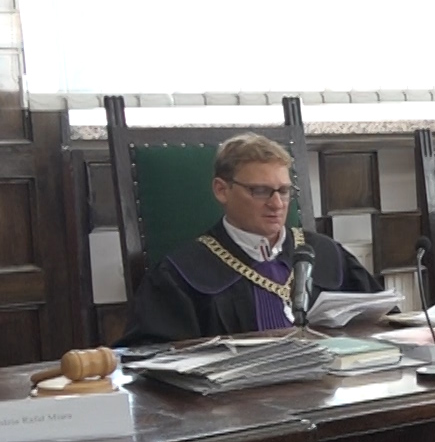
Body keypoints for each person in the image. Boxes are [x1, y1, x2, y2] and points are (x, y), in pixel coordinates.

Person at [117, 134, 380, 346]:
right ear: (222, 190)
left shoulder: (324, 253)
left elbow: (382, 326)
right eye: (261, 191)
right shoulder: (182, 273)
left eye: (284, 191)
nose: (277, 204)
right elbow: (149, 357)